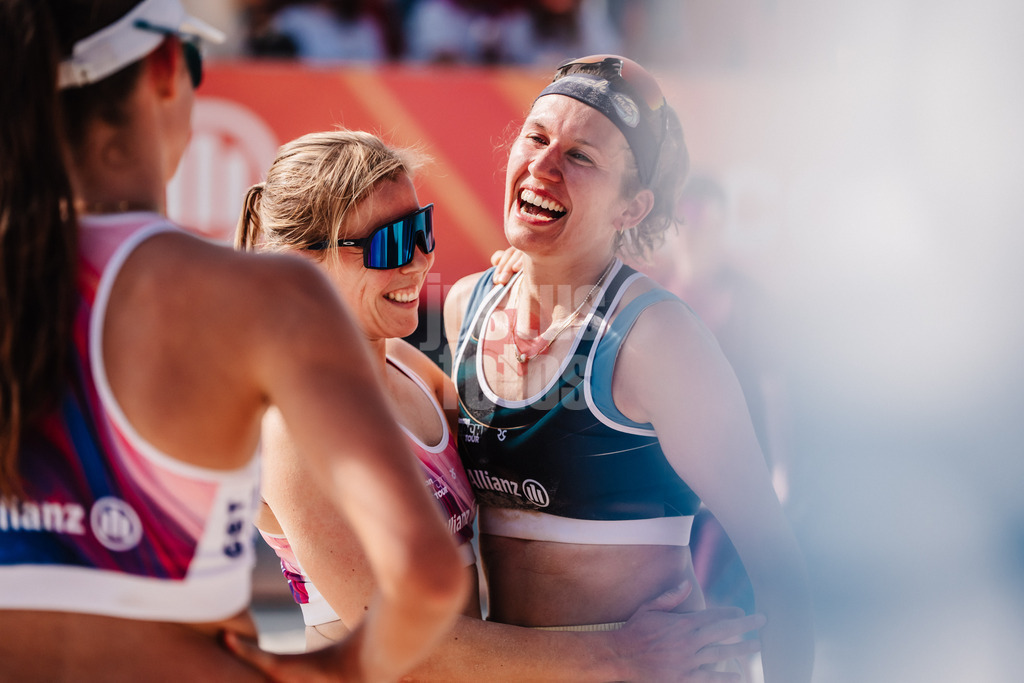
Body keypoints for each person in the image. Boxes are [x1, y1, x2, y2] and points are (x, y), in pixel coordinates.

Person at [0, 1, 468, 681]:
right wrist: (332, 670)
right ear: (166, 70)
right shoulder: (263, 297)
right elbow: (425, 581)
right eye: (193, 61)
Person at [228, 128, 767, 682]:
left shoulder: (405, 369)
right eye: (390, 243)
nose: (418, 261)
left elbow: (516, 443)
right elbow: (410, 649)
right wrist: (623, 656)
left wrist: (535, 305)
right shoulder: (293, 426)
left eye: (421, 230)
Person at [445, 55, 815, 682]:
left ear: (632, 208)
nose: (542, 164)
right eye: (536, 137)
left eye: (581, 157)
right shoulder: (465, 307)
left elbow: (779, 566)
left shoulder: (657, 339)